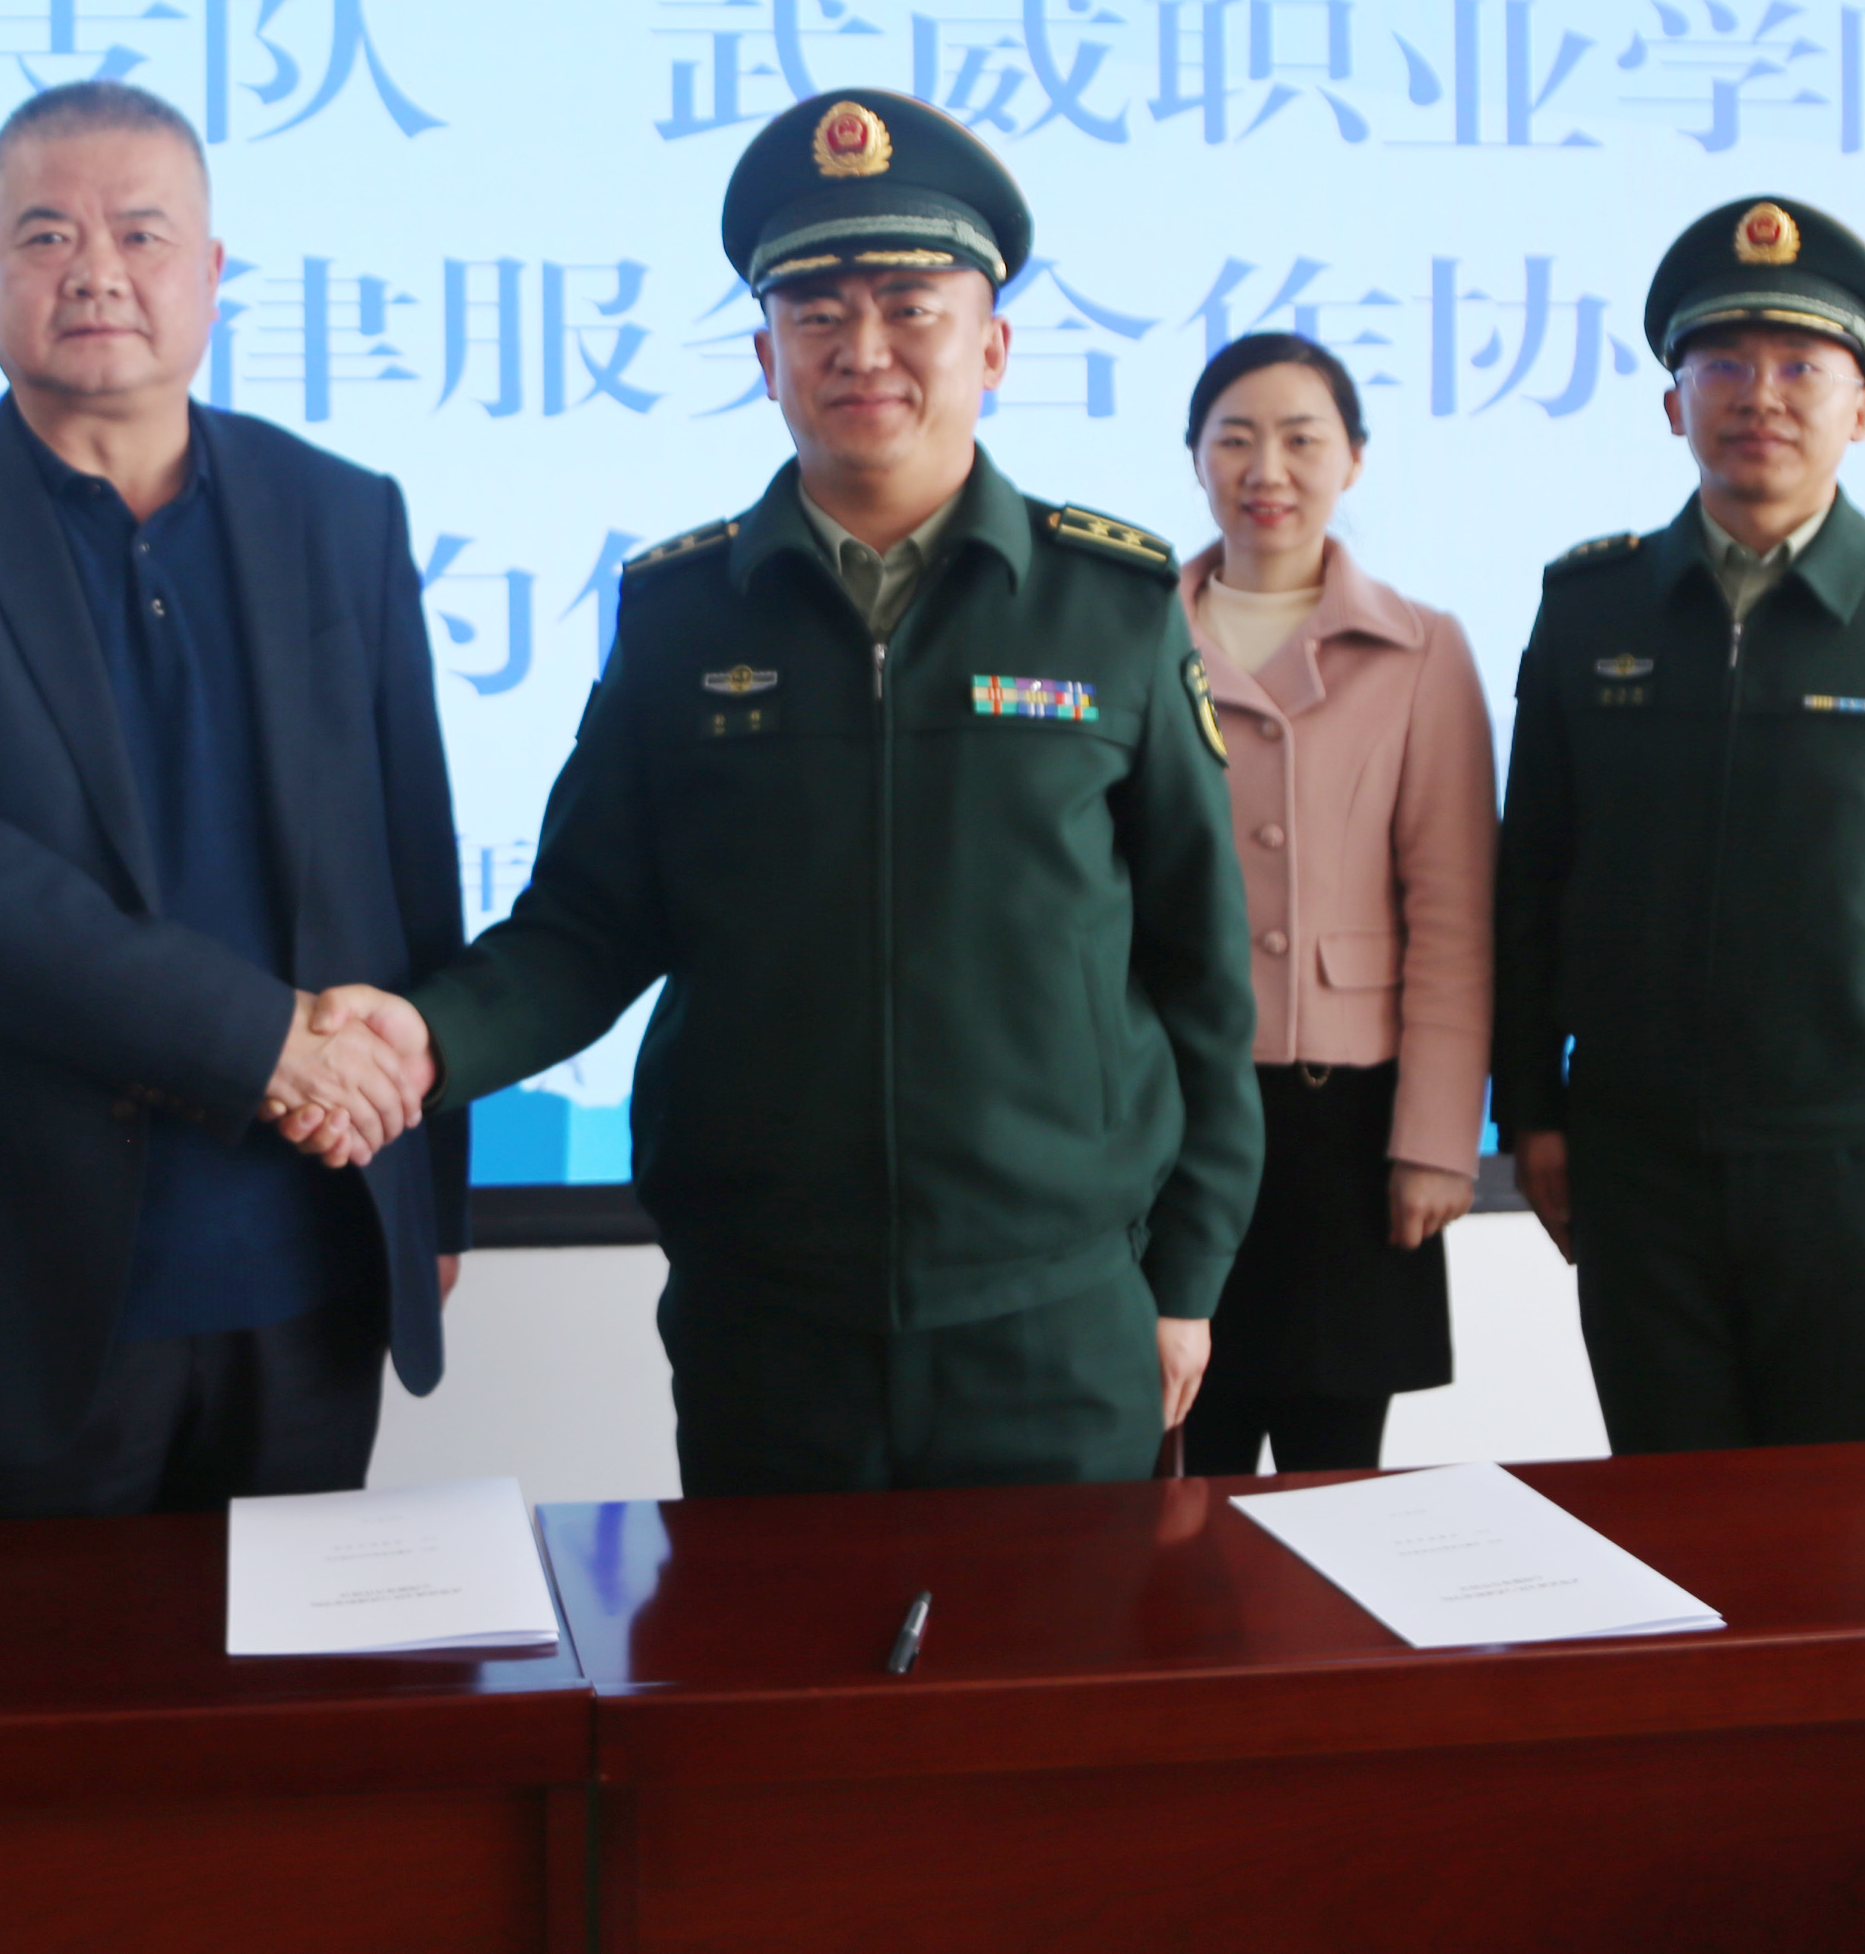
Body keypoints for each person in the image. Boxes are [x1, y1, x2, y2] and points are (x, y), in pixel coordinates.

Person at [303, 89, 1259, 1496]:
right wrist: (425, 1038)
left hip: (1053, 1319)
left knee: (1058, 1651)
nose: (861, 348)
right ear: (765, 357)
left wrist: (1186, 1277)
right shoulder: (682, 616)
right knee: (773, 1647)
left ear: (991, 346)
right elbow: (585, 928)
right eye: (815, 311)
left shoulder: (1108, 607)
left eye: (909, 307)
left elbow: (1201, 974)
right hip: (765, 1321)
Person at [0, 79, 468, 1520]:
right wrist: (257, 1039)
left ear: (210, 271)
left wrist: (432, 1193)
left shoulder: (341, 512)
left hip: (308, 1257)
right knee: (16, 1673)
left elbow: (410, 861)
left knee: (289, 1666)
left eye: (140, 233)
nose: (94, 269)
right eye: (46, 235)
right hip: (6, 1279)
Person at [1492, 197, 1865, 1451]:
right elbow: (1529, 875)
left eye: (1801, 366)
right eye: (1724, 366)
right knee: (1665, 1518)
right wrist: (1528, 1108)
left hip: (1861, 1164)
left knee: (1853, 1527)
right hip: (1634, 1157)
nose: (1760, 396)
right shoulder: (1589, 609)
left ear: (1862, 410)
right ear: (1672, 403)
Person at [1172, 332, 1496, 1478]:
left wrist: (1437, 1143)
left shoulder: (1420, 648)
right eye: (1234, 439)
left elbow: (1452, 917)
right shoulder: (1129, 635)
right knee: (1179, 1486)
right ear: (1194, 457)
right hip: (1172, 1117)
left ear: (1352, 459)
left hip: (1348, 1133)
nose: (1266, 469)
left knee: (1340, 1495)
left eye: (1301, 439)